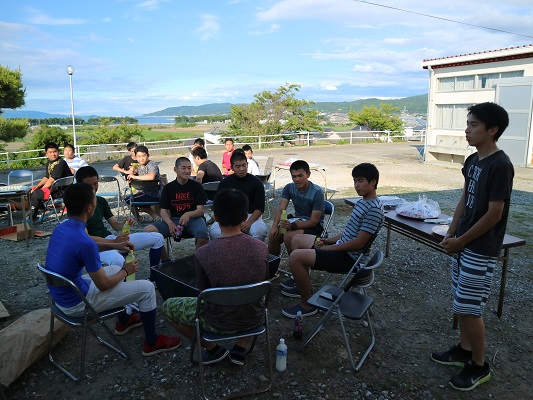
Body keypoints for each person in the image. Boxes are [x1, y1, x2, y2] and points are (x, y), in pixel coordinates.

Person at [44, 182, 182, 356]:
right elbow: (103, 284)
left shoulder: (62, 228)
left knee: (114, 268)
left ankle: (123, 321)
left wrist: (115, 245)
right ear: (89, 208)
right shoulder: (84, 242)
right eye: (95, 199)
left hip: (63, 296)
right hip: (77, 304)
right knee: (146, 289)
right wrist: (126, 271)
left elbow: (88, 245)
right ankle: (152, 343)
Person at [432, 102, 514, 391]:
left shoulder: (500, 165)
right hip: (463, 243)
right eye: (468, 124)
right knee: (461, 302)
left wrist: (461, 241)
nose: (466, 130)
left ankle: (479, 365)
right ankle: (464, 350)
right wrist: (451, 232)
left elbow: (494, 214)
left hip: (480, 248)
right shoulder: (473, 160)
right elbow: (465, 198)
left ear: (492, 130)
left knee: (470, 307)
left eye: (474, 125)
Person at [163, 188, 268, 365]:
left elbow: (203, 291)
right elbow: (261, 282)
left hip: (217, 321)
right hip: (254, 317)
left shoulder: (203, 253)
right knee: (252, 295)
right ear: (245, 217)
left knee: (168, 307)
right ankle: (241, 347)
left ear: (216, 217)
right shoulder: (261, 247)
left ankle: (213, 349)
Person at [281, 163, 384, 318]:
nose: (356, 185)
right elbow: (348, 232)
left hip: (349, 259)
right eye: (355, 181)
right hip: (340, 248)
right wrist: (327, 241)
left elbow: (359, 243)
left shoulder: (374, 209)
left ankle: (307, 304)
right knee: (296, 239)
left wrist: (328, 248)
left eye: (360, 181)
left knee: (296, 257)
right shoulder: (363, 202)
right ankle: (302, 286)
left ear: (373, 182)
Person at [75, 166, 165, 279]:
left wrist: (125, 223)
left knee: (158, 238)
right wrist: (114, 243)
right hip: (97, 247)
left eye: (96, 183)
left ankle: (153, 279)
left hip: (111, 239)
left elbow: (116, 225)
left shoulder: (101, 201)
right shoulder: (77, 207)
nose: (93, 187)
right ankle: (120, 285)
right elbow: (86, 238)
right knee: (118, 261)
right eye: (89, 185)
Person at [144, 157, 209, 261]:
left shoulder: (197, 186)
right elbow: (163, 211)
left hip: (194, 219)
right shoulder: (168, 188)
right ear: (175, 169)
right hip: (174, 220)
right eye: (183, 168)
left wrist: (188, 214)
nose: (187, 171)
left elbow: (200, 210)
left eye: (189, 168)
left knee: (202, 234)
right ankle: (165, 262)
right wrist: (170, 223)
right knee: (148, 231)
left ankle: (197, 262)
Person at [268, 160, 324, 256]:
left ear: (308, 174)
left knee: (288, 237)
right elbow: (281, 208)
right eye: (294, 176)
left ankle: (294, 262)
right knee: (273, 235)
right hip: (297, 220)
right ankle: (272, 263)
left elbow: (314, 222)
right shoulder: (289, 188)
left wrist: (293, 226)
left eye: (300, 175)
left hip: (313, 226)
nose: (297, 179)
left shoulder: (317, 192)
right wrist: (274, 226)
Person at [209, 151, 267, 241]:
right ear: (232, 167)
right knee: (214, 232)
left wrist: (248, 222)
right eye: (238, 166)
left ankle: (253, 249)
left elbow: (260, 208)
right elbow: (219, 205)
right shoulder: (225, 183)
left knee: (260, 231)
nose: (241, 169)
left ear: (247, 164)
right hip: (228, 216)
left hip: (250, 216)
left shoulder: (256, 182)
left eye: (244, 165)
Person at [29, 142, 73, 221]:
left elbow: (52, 179)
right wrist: (37, 186)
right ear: (46, 154)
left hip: (62, 190)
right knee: (31, 191)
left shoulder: (60, 163)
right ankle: (44, 210)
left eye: (55, 151)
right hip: (54, 188)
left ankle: (33, 217)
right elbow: (47, 177)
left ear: (58, 152)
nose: (53, 154)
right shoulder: (49, 163)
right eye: (50, 152)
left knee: (36, 193)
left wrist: (41, 190)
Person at [126, 145, 161, 221]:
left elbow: (151, 176)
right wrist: (132, 175)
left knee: (129, 199)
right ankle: (154, 216)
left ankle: (140, 218)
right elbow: (140, 177)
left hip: (154, 194)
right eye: (139, 156)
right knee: (135, 199)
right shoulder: (139, 167)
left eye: (143, 156)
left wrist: (134, 177)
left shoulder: (152, 164)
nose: (141, 158)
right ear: (135, 157)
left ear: (148, 155)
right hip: (145, 192)